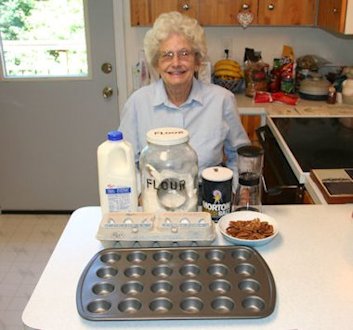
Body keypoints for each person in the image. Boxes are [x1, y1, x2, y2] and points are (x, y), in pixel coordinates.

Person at [119, 11, 250, 189]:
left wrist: (233, 191)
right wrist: (140, 196)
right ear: (157, 63)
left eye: (184, 53)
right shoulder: (137, 103)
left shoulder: (222, 100)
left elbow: (240, 156)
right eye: (167, 55)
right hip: (154, 202)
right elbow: (124, 163)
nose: (176, 63)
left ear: (197, 61)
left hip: (208, 202)